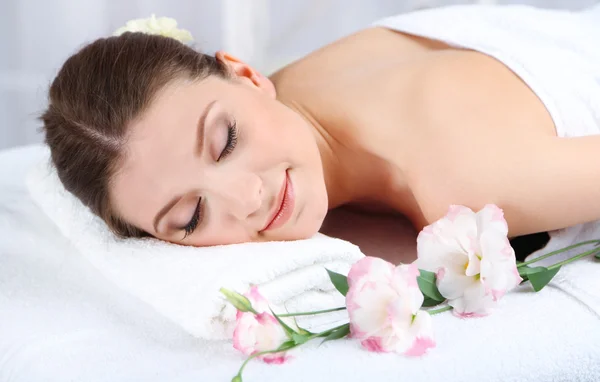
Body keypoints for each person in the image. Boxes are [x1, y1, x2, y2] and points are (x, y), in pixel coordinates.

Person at [41, 4, 600, 251]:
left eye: (225, 142)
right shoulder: (288, 96)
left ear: (246, 73)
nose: (247, 196)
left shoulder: (461, 179)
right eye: (189, 217)